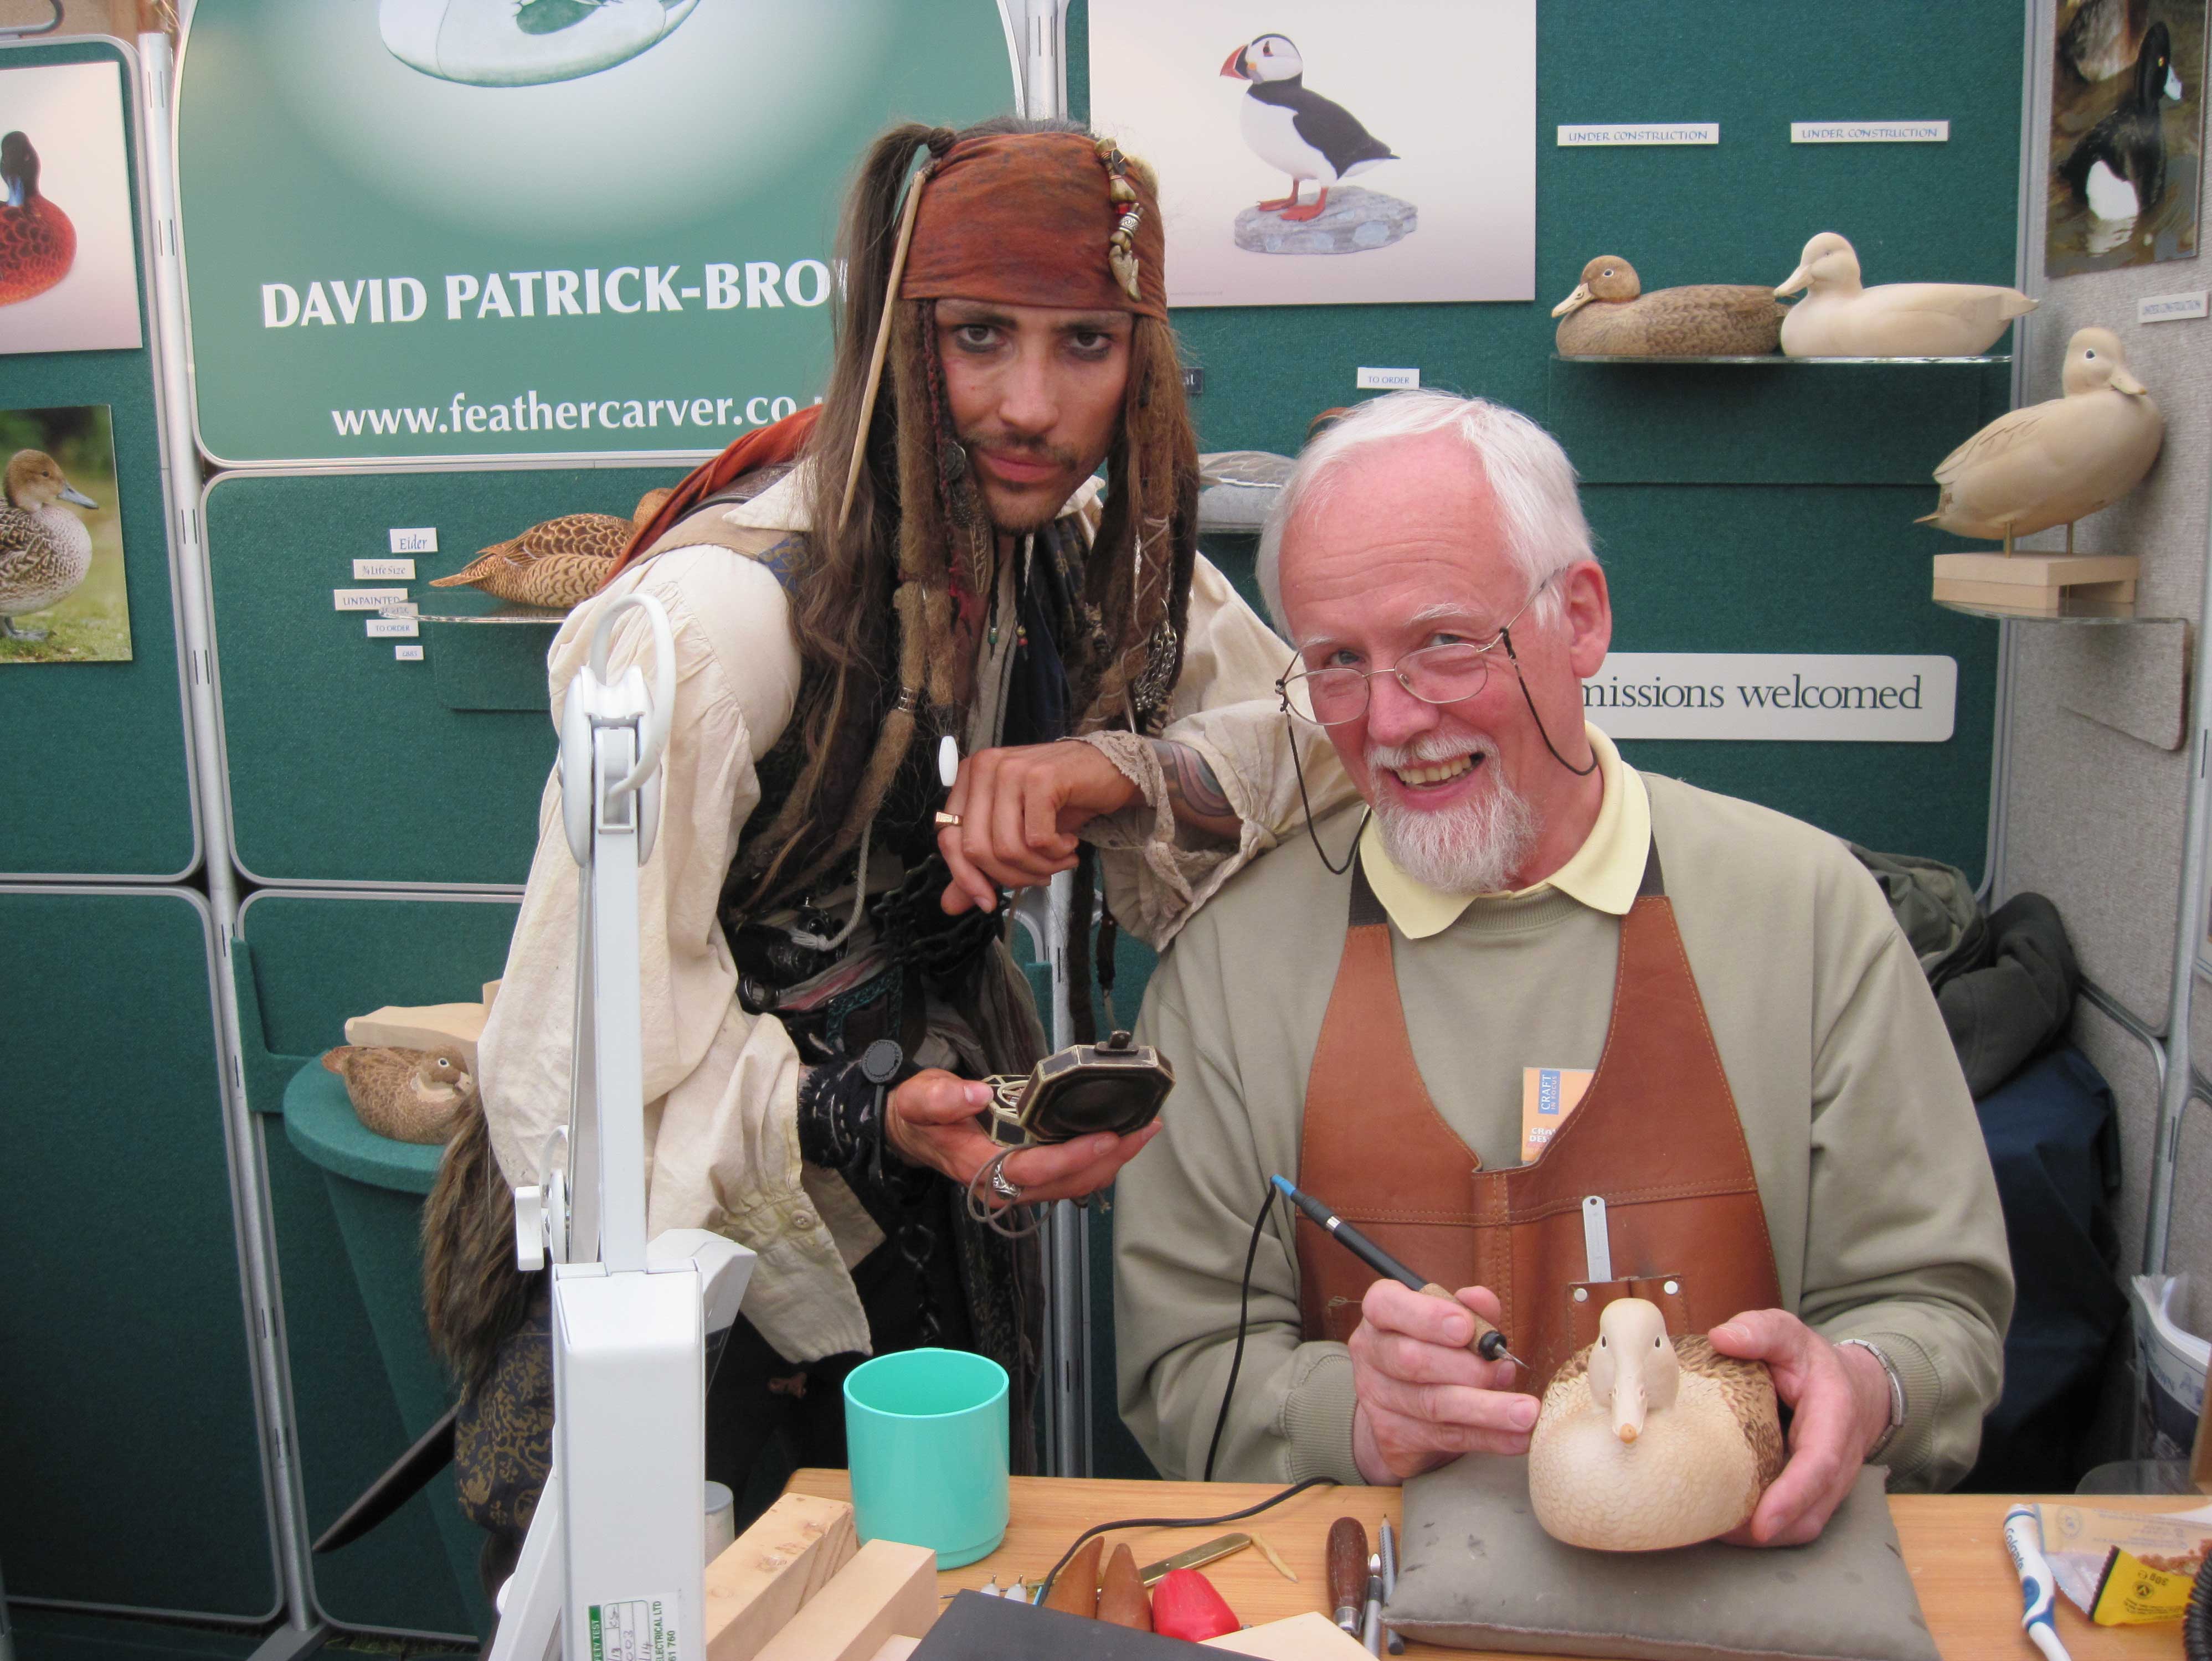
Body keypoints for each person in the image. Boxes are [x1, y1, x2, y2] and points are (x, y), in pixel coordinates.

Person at [421, 117, 1349, 1580]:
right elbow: (565, 1081)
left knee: (925, 1575)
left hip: (926, 1178)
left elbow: (1320, 733)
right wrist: (859, 1116)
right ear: (896, 339)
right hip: (670, 1243)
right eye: (978, 337)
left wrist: (1106, 769)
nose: (1031, 404)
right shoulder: (714, 630)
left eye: (1087, 345)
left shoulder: (1084, 549)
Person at [1114, 389, 2013, 1545]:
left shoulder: (1805, 913)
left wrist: (1864, 1384)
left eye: (1441, 643)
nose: (1388, 722)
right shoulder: (1231, 972)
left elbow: (1937, 1309)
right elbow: (1181, 1364)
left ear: (1578, 618)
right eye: (1336, 662)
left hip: (1740, 1593)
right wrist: (1352, 1414)